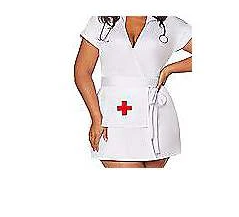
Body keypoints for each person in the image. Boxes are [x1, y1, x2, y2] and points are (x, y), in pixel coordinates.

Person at [74, 16, 192, 168]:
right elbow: (82, 72)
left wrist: (170, 69)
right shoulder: (102, 21)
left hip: (155, 116)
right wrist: (97, 118)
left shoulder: (169, 23)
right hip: (112, 117)